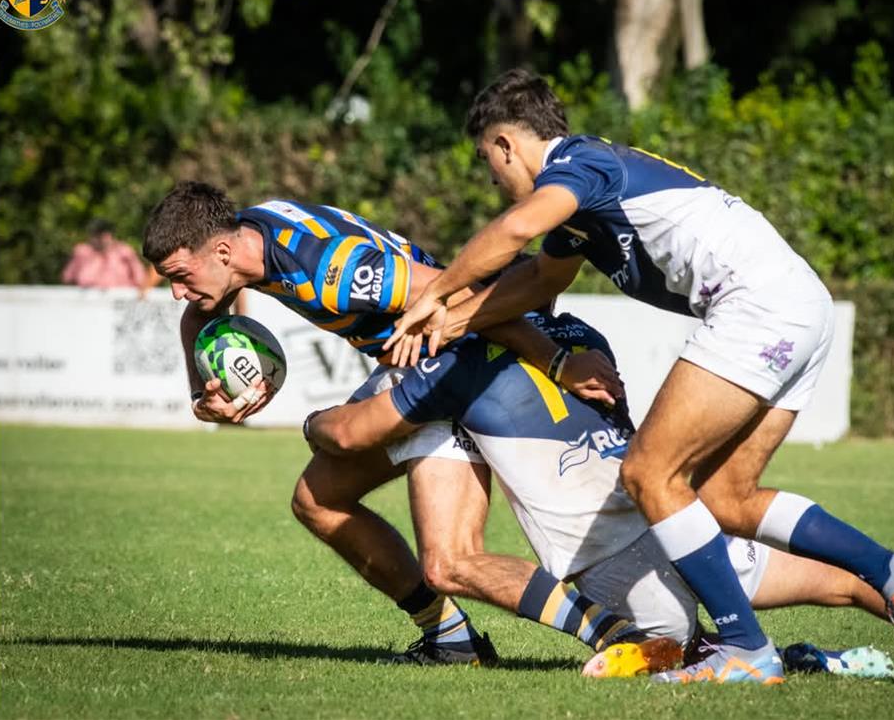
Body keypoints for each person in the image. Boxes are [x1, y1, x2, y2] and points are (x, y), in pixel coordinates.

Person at [384, 69, 894, 683]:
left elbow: (517, 231)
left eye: (487, 161)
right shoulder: (582, 203)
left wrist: (437, 293)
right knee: (725, 498)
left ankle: (745, 650)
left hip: (755, 305)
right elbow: (541, 281)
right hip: (799, 303)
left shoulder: (576, 165)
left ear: (505, 144)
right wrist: (457, 320)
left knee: (649, 473)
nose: (492, 179)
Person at [313, 306, 894, 683]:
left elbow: (350, 437)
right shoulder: (555, 328)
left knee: (671, 652)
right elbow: (598, 367)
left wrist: (313, 416)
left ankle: (801, 662)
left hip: (612, 559)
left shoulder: (432, 368)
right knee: (852, 581)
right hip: (674, 518)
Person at [142, 181, 657, 668]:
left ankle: (615, 636)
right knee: (317, 499)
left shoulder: (327, 269)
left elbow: (452, 296)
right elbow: (196, 319)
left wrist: (556, 363)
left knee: (450, 559)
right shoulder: (251, 228)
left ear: (223, 254)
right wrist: (200, 396)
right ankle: (450, 639)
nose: (176, 293)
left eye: (180, 277)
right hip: (426, 363)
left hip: (450, 361)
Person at [62, 219, 150, 289]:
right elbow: (68, 278)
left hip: (119, 300)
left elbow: (140, 278)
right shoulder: (82, 252)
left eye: (102, 235)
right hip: (87, 302)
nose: (99, 240)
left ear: (110, 235)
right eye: (95, 235)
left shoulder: (124, 252)